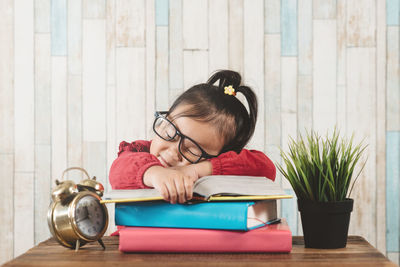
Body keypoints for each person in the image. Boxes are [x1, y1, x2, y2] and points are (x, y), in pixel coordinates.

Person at [109, 70, 276, 204]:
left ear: (220, 155)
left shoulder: (209, 168)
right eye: (170, 133)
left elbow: (265, 169)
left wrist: (197, 170)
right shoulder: (139, 152)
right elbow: (118, 171)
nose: (173, 152)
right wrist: (155, 174)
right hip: (135, 243)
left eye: (191, 149)